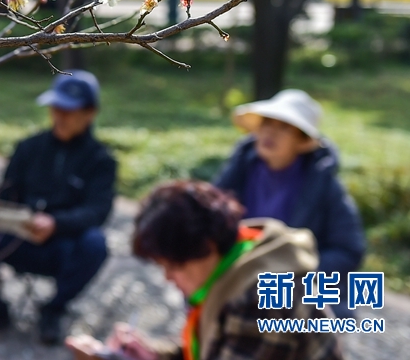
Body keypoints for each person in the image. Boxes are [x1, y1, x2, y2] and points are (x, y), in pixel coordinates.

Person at [66, 180, 344, 360]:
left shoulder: (260, 297)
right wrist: (152, 354)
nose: (168, 277)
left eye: (174, 265)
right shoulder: (233, 265)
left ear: (207, 246)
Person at [0, 70, 117, 345]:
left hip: (62, 248)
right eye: (57, 108)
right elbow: (9, 191)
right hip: (19, 240)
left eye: (69, 110)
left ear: (89, 113)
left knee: (96, 244)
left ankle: (54, 308)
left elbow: (97, 211)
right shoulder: (29, 148)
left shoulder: (101, 161)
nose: (60, 116)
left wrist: (56, 223)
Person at [214, 89, 365, 318]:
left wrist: (294, 274)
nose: (269, 132)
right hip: (239, 279)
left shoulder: (323, 185)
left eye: (284, 127)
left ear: (302, 140)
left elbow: (348, 249)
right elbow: (212, 221)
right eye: (266, 123)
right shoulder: (239, 170)